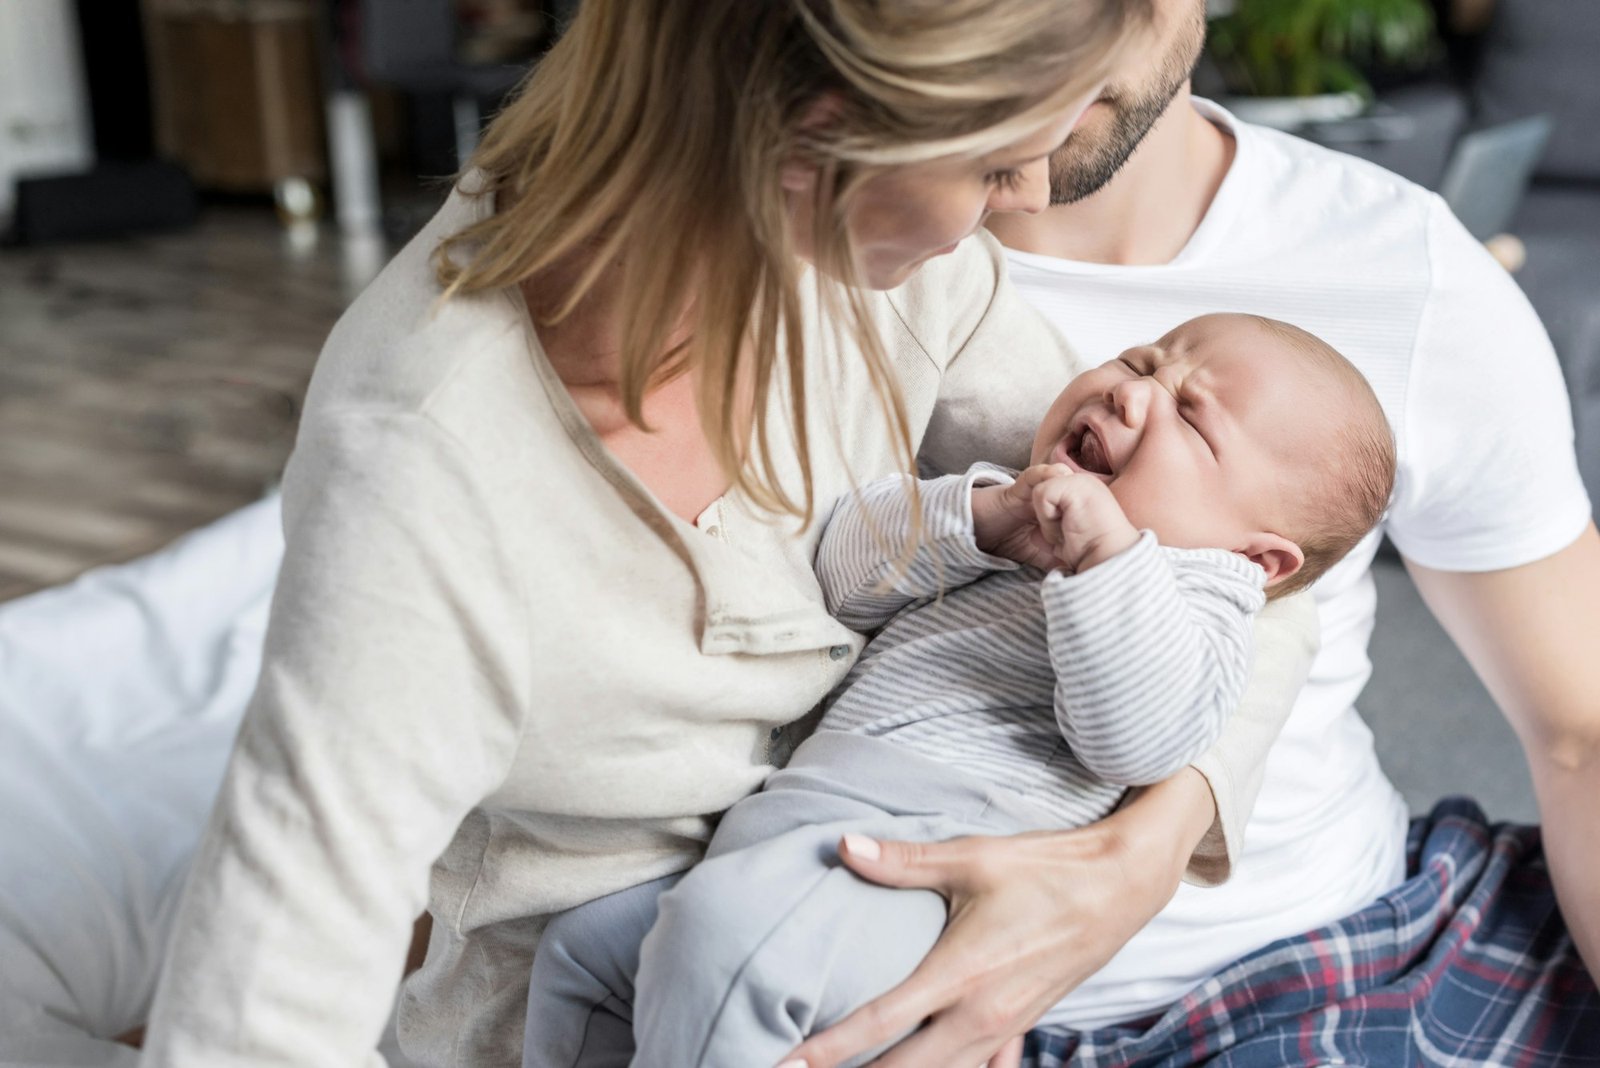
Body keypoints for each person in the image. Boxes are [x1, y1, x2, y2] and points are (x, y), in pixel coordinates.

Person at [136, 3, 1325, 1067]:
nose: (1026, 197)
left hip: (871, 947)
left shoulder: (888, 272)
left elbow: (1243, 558)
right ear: (819, 135)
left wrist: (1128, 866)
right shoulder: (428, 477)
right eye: (997, 161)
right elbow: (255, 1021)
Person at [779, 1, 1600, 1064]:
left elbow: (1580, 732)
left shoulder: (1401, 264)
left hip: (1329, 945)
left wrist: (1158, 840)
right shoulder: (794, 246)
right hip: (861, 959)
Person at [520, 313, 1396, 1067]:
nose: (1131, 393)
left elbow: (1138, 740)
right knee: (584, 955)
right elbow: (838, 579)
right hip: (792, 832)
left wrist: (1107, 561)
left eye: (1192, 418)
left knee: (726, 945)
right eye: (1139, 362)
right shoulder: (1007, 509)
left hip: (927, 869)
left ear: (1257, 559)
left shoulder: (1200, 601)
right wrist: (980, 519)